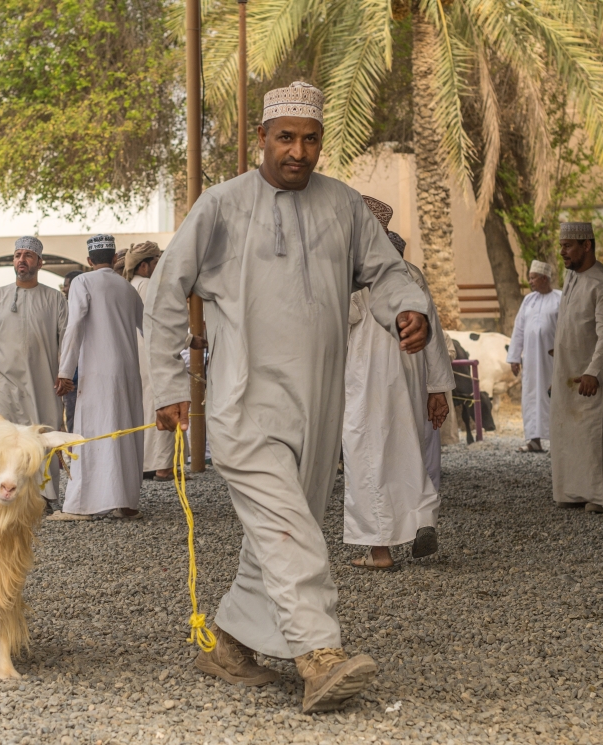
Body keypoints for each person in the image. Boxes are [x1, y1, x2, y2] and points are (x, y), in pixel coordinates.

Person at [142, 82, 430, 713]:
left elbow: (386, 272)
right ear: (262, 140)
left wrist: (410, 309)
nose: (298, 151)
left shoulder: (345, 206)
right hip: (245, 401)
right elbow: (167, 291)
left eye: (310, 138)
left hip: (318, 404)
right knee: (290, 527)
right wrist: (166, 384)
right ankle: (319, 654)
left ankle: (230, 646)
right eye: (286, 137)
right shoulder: (222, 206)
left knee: (280, 528)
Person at [342, 209, 452, 571]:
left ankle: (379, 551)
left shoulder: (359, 275)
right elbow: (433, 336)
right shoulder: (412, 274)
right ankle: (423, 519)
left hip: (368, 379)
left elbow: (342, 320)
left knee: (368, 455)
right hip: (411, 375)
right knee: (409, 449)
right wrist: (437, 389)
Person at [52, 234, 144, 521]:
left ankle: (80, 506)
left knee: (92, 433)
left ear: (89, 261)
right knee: (126, 433)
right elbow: (151, 326)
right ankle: (127, 503)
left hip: (98, 372)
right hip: (128, 372)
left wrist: (65, 372)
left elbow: (74, 325)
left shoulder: (83, 282)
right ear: (115, 258)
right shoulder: (128, 288)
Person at [0, 236, 68, 503]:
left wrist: (65, 373)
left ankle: (44, 497)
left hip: (42, 382)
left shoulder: (54, 299)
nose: (21, 260)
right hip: (2, 382)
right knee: (1, 437)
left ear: (39, 261)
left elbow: (67, 340)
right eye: (17, 255)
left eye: (28, 255)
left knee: (42, 436)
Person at [550, 222, 603, 513]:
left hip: (594, 373)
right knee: (568, 433)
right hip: (567, 370)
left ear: (587, 245)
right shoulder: (571, 278)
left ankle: (602, 498)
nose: (563, 253)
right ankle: (572, 492)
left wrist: (594, 371)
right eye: (561, 246)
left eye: (568, 246)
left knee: (595, 434)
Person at [125, 241, 186, 481]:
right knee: (163, 404)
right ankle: (163, 466)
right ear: (144, 265)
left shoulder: (128, 286)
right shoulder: (149, 285)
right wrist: (188, 339)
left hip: (134, 357)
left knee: (144, 409)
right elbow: (161, 324)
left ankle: (147, 464)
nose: (159, 265)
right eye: (156, 260)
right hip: (153, 356)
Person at [507, 260, 561, 453]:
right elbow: (519, 329)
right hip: (530, 360)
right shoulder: (528, 300)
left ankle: (559, 441)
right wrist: (514, 358)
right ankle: (534, 440)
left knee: (554, 397)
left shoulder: (560, 299)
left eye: (532, 278)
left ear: (544, 278)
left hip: (553, 361)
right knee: (531, 397)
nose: (530, 281)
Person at [60, 270, 83, 432]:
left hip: (75, 380)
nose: (64, 289)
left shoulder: (77, 311)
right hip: (70, 381)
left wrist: (67, 375)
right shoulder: (65, 309)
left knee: (77, 424)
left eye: (67, 286)